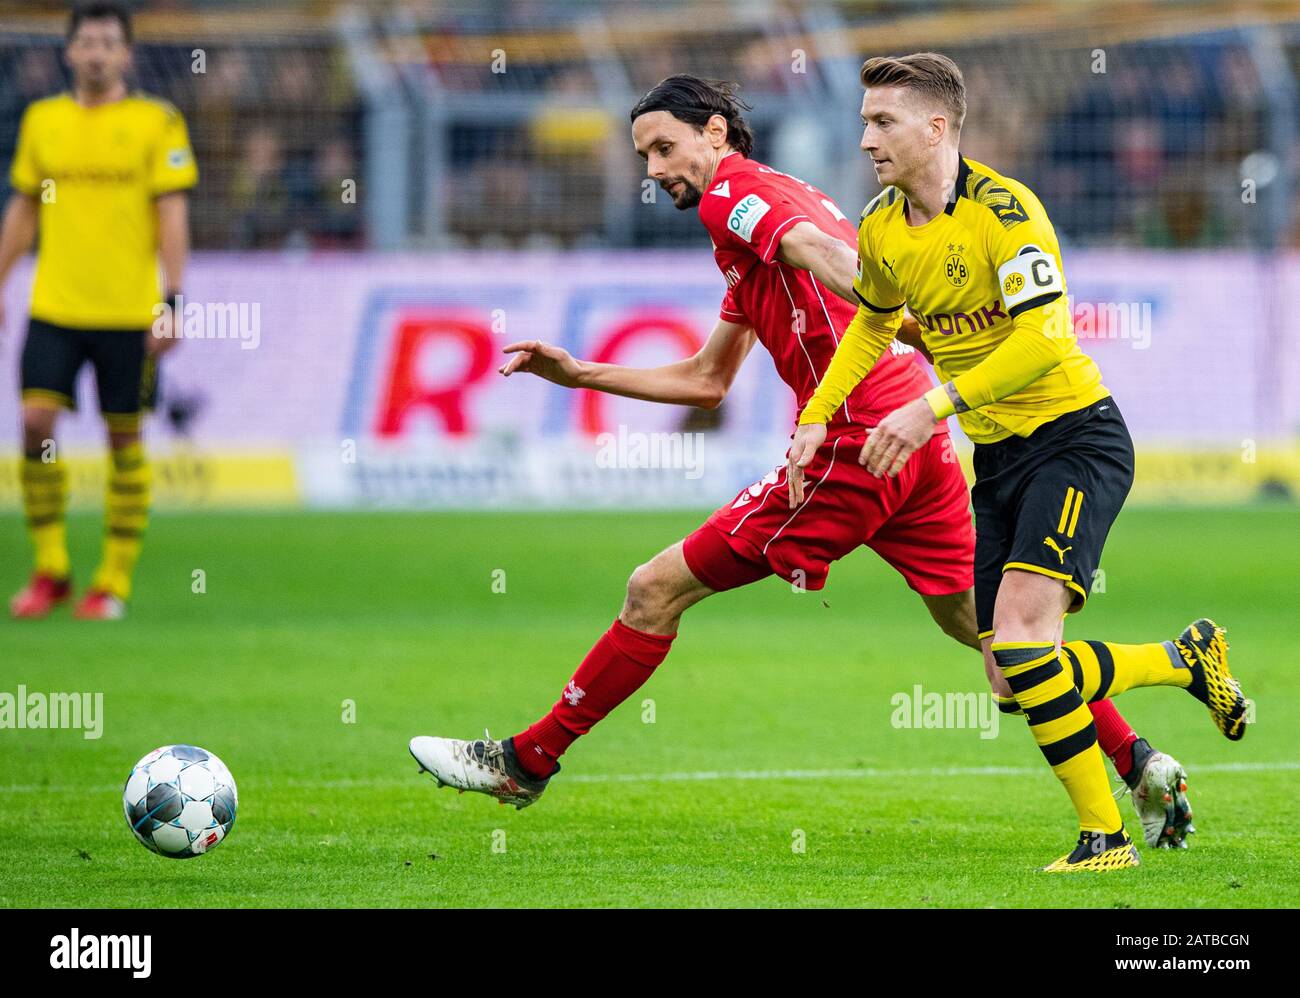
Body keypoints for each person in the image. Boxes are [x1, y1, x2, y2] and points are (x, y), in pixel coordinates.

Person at [409, 75, 1202, 857]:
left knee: (653, 589)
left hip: (861, 436)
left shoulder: (735, 195)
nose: (653, 171)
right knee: (994, 639)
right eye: (643, 156)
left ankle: (525, 761)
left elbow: (825, 254)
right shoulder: (752, 221)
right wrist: (581, 373)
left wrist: (888, 324)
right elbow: (708, 378)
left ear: (715, 133)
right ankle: (1141, 758)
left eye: (663, 148)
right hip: (907, 432)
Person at [785, 53, 1248, 870]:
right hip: (997, 458)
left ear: (937, 129)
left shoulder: (1007, 211)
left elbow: (1044, 338)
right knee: (1010, 673)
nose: (865, 139)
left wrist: (929, 405)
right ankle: (1184, 660)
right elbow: (873, 323)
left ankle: (1105, 836)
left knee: (1028, 642)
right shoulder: (885, 225)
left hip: (1075, 440)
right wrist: (818, 416)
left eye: (882, 122)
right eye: (864, 122)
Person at [0, 1, 196, 620]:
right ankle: (52, 567)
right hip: (55, 306)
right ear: (68, 52)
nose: (96, 53)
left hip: (129, 315)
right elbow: (25, 207)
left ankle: (111, 581)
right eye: (87, 42)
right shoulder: (43, 121)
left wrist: (172, 302)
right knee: (34, 425)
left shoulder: (155, 122)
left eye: (108, 44)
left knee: (124, 439)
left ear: (126, 55)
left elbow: (172, 215)